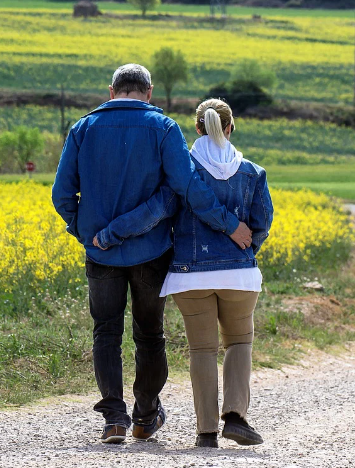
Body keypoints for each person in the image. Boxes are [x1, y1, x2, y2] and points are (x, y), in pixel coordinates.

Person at [51, 65, 253, 444]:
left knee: (105, 332)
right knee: (149, 334)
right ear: (150, 91)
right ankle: (145, 416)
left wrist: (88, 234)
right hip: (152, 251)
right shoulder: (163, 129)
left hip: (100, 254)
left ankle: (114, 418)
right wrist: (228, 224)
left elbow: (62, 195)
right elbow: (186, 187)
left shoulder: (82, 128)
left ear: (111, 91)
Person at [94, 98, 273, 448]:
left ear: (197, 128)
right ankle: (235, 416)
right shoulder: (253, 172)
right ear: (231, 127)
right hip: (239, 276)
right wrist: (245, 253)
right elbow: (262, 223)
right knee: (238, 341)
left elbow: (155, 211)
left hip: (190, 277)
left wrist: (110, 234)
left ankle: (206, 432)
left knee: (202, 351)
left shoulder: (183, 172)